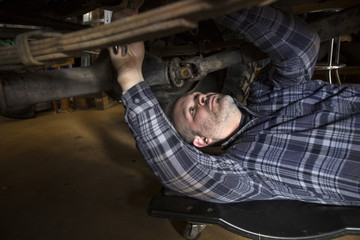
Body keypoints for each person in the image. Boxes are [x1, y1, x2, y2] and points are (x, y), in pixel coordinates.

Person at [108, 6, 360, 206]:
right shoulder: (246, 167)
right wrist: (129, 73)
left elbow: (302, 48)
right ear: (202, 141)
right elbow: (186, 173)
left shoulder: (272, 95)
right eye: (192, 111)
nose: (200, 98)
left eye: (196, 97)